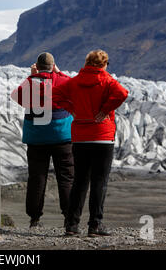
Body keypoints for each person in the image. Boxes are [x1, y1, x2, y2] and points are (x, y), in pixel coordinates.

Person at [53, 49, 128, 237]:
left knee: (79, 181)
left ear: (87, 63)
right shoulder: (107, 80)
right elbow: (122, 93)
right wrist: (106, 109)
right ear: (104, 64)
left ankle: (72, 225)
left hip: (80, 137)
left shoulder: (75, 82)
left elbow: (55, 94)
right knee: (99, 182)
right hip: (102, 136)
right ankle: (95, 225)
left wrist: (71, 109)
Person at [11, 52, 74, 228]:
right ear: (53, 66)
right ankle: (69, 218)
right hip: (62, 137)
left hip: (37, 139)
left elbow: (16, 97)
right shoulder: (63, 81)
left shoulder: (31, 82)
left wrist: (32, 76)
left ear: (37, 67)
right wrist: (58, 73)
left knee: (37, 177)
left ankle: (34, 219)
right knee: (66, 177)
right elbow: (73, 87)